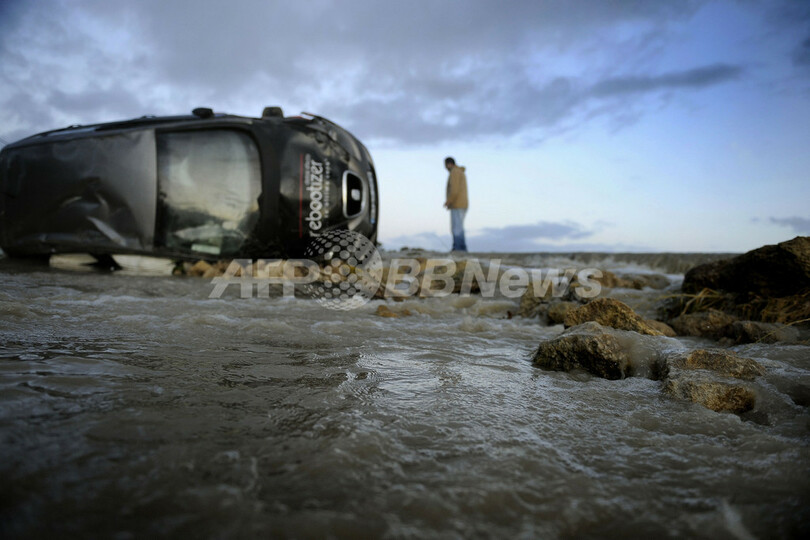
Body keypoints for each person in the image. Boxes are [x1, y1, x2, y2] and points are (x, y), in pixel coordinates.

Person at [443, 157, 468, 252]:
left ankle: (458, 248)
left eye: (445, 165)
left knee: (456, 227)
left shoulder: (455, 172)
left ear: (449, 164)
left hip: (457, 203)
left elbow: (454, 189)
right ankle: (461, 247)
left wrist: (449, 201)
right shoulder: (459, 172)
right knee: (459, 226)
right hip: (461, 203)